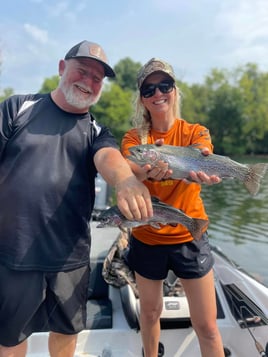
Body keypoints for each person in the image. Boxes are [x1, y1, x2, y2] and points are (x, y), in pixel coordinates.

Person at [0, 40, 153, 357]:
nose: (89, 82)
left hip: (70, 257)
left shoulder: (97, 131)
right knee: (11, 339)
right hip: (14, 254)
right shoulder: (17, 108)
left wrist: (125, 179)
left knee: (66, 334)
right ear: (61, 68)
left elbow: (109, 158)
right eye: (82, 71)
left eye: (97, 79)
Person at [121, 58, 225, 357]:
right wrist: (145, 171)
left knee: (206, 326)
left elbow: (204, 154)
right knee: (150, 313)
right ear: (142, 98)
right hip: (148, 239)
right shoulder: (135, 139)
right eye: (149, 89)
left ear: (175, 91)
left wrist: (206, 166)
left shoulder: (195, 132)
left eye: (164, 86)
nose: (157, 94)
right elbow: (127, 169)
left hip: (190, 236)